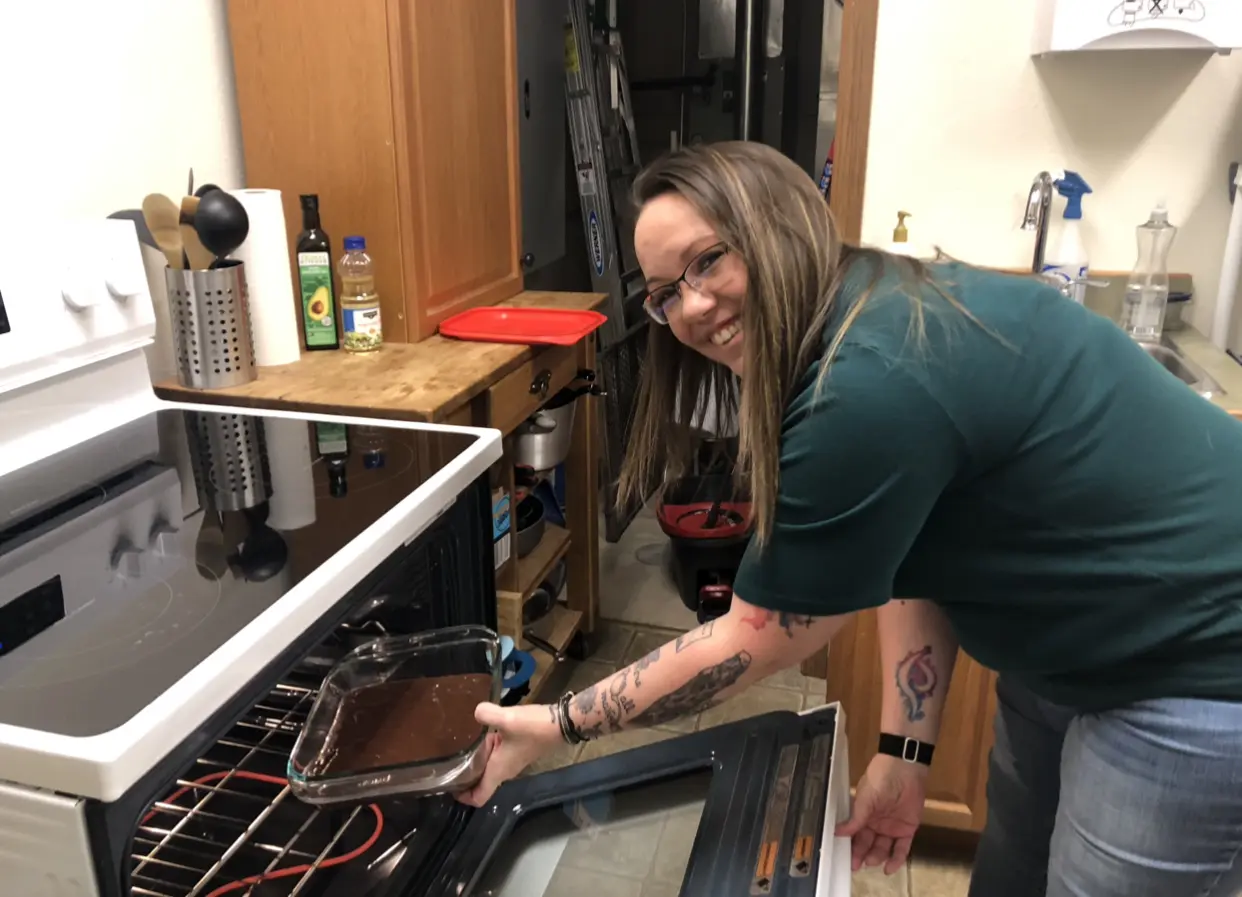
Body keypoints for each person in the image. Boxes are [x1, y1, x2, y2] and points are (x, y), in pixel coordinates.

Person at [459, 141, 1242, 897]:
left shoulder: (864, 380)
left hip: (1197, 662)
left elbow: (754, 640)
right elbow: (915, 549)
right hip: (1071, 645)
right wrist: (905, 749)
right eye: (665, 293)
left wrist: (556, 723)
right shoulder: (868, 298)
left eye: (709, 259)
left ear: (778, 224)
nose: (693, 306)